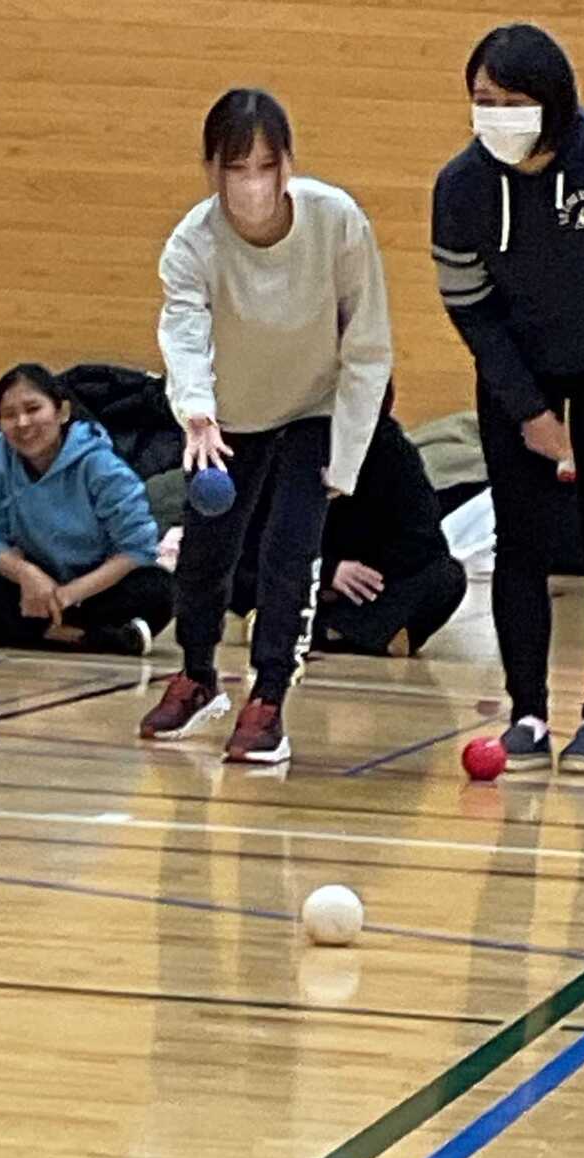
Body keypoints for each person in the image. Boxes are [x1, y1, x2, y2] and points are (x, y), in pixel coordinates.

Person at [431, 23, 584, 772]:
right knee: (521, 541)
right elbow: (470, 308)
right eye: (484, 100)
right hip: (519, 371)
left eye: (513, 102)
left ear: (553, 100)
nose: (496, 114)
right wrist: (529, 411)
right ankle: (528, 714)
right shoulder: (461, 187)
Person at [138, 88, 392, 763]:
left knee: (289, 552)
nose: (252, 185)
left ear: (289, 164)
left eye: (265, 167)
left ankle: (269, 697)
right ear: (210, 170)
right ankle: (197, 675)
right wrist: (196, 410)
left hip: (314, 407)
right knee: (205, 551)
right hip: (228, 416)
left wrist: (347, 457)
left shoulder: (337, 222)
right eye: (235, 169)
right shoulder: (192, 244)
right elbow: (184, 334)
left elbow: (368, 346)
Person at [0, 364, 172, 655]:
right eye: (9, 415)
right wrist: (27, 575)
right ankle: (94, 637)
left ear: (62, 412)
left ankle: (32, 632)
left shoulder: (100, 464)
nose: (22, 422)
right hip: (31, 586)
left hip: (95, 586)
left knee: (160, 590)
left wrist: (67, 595)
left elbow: (137, 547)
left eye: (33, 409)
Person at [231, 412, 467, 658]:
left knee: (447, 577)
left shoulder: (391, 449)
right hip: (296, 569)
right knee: (230, 560)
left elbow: (423, 539)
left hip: (365, 583)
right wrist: (327, 571)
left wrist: (367, 572)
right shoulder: (287, 442)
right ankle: (360, 633)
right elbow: (255, 534)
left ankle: (315, 630)